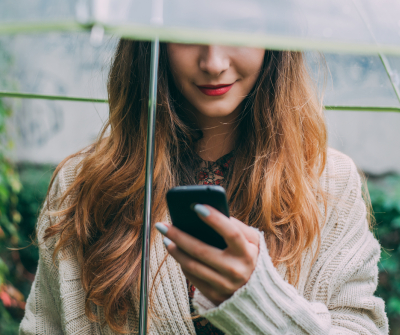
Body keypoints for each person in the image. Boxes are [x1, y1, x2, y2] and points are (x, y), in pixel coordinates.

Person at [20, 41, 388, 335]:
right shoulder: (84, 183)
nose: (213, 62)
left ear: (274, 39)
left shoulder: (328, 182)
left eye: (236, 29)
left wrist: (259, 300)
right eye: (188, 31)